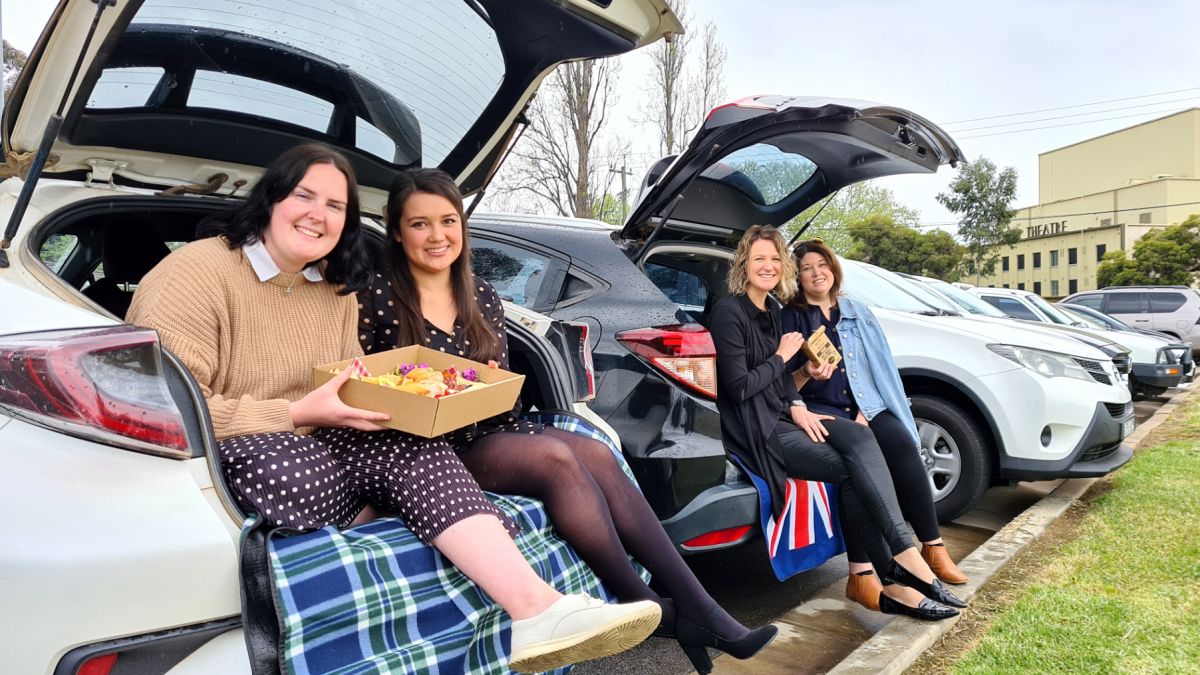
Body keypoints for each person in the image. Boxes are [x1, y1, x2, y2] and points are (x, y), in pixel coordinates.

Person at [126, 144, 659, 673]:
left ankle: (535, 610)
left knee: (407, 439)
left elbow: (354, 379)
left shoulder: (330, 288)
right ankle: (397, 516)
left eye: (336, 206)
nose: (319, 214)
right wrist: (292, 415)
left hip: (323, 429)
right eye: (305, 195)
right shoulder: (194, 274)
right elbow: (164, 407)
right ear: (270, 198)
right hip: (243, 442)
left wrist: (402, 400)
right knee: (294, 467)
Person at [358, 168, 777, 674]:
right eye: (419, 224)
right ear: (397, 231)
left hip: (481, 429)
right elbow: (365, 381)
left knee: (597, 452)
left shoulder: (482, 295)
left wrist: (490, 382)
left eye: (448, 221)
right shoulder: (376, 296)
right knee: (556, 456)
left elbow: (503, 395)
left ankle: (700, 609)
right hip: (421, 446)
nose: (436, 235)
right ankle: (644, 602)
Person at [707, 225, 964, 622]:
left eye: (775, 259)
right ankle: (901, 564)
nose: (769, 266)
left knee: (861, 442)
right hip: (758, 431)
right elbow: (739, 388)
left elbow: (782, 382)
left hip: (782, 416)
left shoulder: (772, 312)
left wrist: (802, 386)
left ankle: (881, 572)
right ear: (744, 262)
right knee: (851, 470)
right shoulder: (729, 312)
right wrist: (781, 358)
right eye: (760, 258)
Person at [782, 239, 968, 609]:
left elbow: (879, 367)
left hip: (866, 403)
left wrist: (869, 411)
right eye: (807, 268)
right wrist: (807, 374)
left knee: (900, 441)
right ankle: (864, 571)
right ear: (798, 277)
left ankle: (932, 546)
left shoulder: (857, 312)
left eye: (822, 264)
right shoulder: (792, 317)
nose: (817, 272)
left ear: (833, 268)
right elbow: (785, 382)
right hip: (822, 409)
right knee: (859, 460)